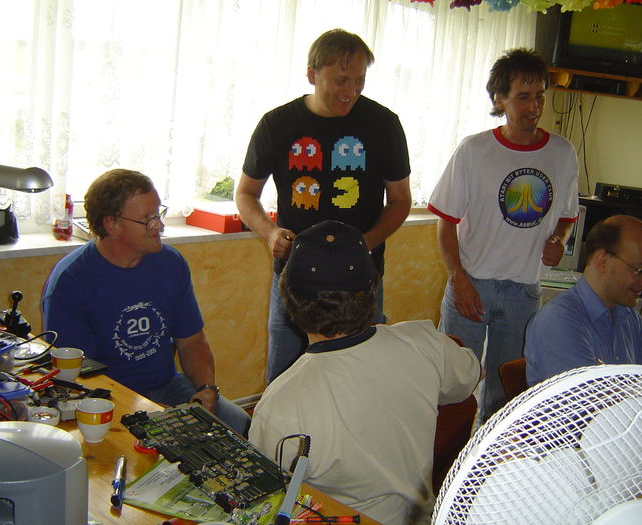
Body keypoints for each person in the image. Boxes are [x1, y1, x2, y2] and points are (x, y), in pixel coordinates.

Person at [248, 220, 480, 525]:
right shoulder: (424, 342)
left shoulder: (280, 405)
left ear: (288, 298)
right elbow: (471, 376)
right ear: (373, 287)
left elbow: (267, 498)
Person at [235, 28, 412, 383]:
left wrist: (365, 242)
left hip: (360, 279)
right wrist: (270, 234)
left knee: (358, 380)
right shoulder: (277, 124)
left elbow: (400, 200)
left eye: (360, 81)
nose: (351, 92)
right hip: (294, 277)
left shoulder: (383, 124)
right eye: (341, 80)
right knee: (284, 380)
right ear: (312, 75)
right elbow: (245, 194)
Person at [427, 48, 580, 424]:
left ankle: (491, 457)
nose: (535, 107)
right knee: (452, 388)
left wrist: (559, 240)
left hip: (523, 293)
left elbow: (566, 216)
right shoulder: (474, 150)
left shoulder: (562, 154)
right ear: (500, 100)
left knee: (505, 393)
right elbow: (445, 223)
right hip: (471, 284)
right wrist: (458, 279)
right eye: (523, 97)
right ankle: (446, 455)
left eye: (540, 96)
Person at [42, 169, 250, 436]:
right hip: (106, 398)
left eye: (158, 214)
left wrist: (206, 389)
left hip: (167, 386)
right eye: (148, 219)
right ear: (112, 224)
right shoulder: (71, 280)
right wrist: (149, 411)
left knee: (242, 426)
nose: (159, 225)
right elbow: (78, 377)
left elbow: (192, 341)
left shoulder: (170, 263)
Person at [525, 215, 642, 385]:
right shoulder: (558, 321)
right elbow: (590, 399)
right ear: (602, 261)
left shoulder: (631, 320)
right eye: (641, 270)